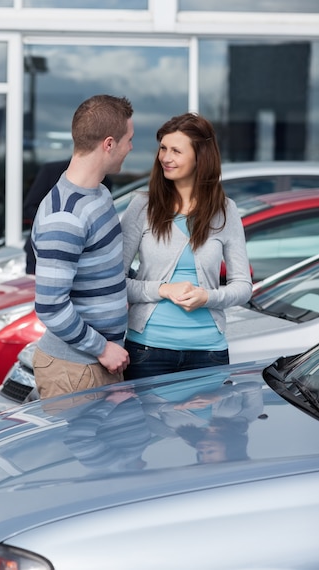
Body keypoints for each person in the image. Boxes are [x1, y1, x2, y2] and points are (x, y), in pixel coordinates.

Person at [121, 112, 252, 380]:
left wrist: (208, 297)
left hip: (209, 354)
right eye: (163, 149)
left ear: (200, 157)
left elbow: (243, 286)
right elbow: (115, 281)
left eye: (176, 151)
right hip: (148, 350)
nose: (166, 158)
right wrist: (163, 289)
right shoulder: (141, 207)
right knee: (144, 424)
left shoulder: (226, 211)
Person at [31, 94, 134, 399]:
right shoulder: (65, 215)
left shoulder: (99, 194)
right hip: (75, 369)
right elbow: (50, 306)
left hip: (100, 362)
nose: (131, 148)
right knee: (77, 450)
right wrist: (102, 349)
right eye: (129, 139)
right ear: (109, 143)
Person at [23, 159, 112, 274]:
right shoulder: (51, 171)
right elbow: (29, 207)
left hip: (82, 259)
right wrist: (60, 222)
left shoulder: (105, 183)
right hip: (42, 254)